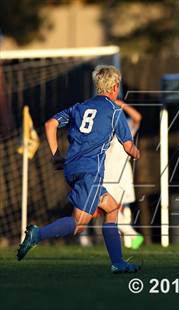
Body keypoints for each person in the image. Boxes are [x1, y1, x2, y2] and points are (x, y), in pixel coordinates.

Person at [17, 65, 141, 273]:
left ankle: (118, 263)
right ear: (115, 87)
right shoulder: (114, 111)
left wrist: (56, 155)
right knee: (78, 225)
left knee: (111, 208)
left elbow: (50, 124)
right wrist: (138, 152)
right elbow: (129, 148)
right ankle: (36, 235)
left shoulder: (80, 107)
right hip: (90, 172)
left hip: (72, 168)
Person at [103, 99, 144, 249]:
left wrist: (121, 103)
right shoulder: (103, 128)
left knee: (119, 208)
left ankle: (128, 240)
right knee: (108, 207)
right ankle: (129, 237)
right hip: (106, 173)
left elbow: (137, 117)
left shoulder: (125, 125)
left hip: (121, 173)